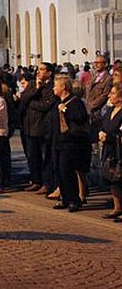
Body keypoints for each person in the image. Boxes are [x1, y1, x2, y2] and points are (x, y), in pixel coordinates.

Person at [50, 76, 89, 212]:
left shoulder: (75, 102)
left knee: (68, 171)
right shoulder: (57, 102)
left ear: (63, 88)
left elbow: (80, 118)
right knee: (59, 171)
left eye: (56, 86)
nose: (54, 88)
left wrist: (65, 110)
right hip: (58, 142)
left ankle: (74, 200)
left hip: (71, 142)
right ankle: (64, 198)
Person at [24, 62, 58, 194]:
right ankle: (35, 180)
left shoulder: (52, 86)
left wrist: (31, 102)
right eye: (38, 69)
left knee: (46, 157)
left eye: (42, 69)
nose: (39, 71)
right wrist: (36, 91)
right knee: (32, 156)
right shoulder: (33, 84)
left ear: (49, 72)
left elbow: (46, 106)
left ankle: (47, 183)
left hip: (43, 127)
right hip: (30, 126)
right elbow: (24, 98)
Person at [99, 83, 122, 219]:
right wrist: (100, 132)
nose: (109, 96)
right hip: (109, 150)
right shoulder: (110, 110)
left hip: (119, 149)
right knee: (113, 179)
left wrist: (110, 137)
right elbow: (102, 123)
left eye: (113, 93)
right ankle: (117, 207)